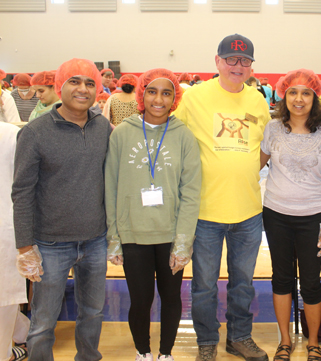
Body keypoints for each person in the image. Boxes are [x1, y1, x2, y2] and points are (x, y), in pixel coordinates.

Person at [173, 33, 271, 361]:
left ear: (252, 66)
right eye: (231, 59)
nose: (238, 66)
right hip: (204, 212)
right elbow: (176, 142)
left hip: (247, 211)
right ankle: (206, 341)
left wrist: (240, 169)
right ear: (217, 62)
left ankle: (239, 338)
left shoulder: (257, 99)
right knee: (203, 285)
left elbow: (266, 146)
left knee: (242, 283)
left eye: (244, 60)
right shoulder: (195, 97)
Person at [12, 58, 112, 361]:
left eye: (90, 83)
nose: (83, 89)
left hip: (95, 241)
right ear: (60, 86)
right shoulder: (35, 132)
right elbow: (22, 191)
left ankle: (88, 357)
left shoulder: (103, 127)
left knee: (93, 313)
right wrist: (25, 246)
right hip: (50, 243)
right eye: (75, 81)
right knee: (43, 321)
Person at [105, 68, 201, 361]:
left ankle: (166, 353)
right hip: (133, 232)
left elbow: (191, 192)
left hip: (170, 234)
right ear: (142, 94)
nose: (159, 99)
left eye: (166, 92)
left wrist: (183, 241)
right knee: (141, 299)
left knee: (172, 298)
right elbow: (111, 186)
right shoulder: (121, 133)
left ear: (175, 98)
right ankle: (143, 352)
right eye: (152, 91)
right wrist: (113, 236)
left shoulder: (184, 136)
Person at [260, 69, 321, 361]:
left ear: (315, 97)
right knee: (280, 279)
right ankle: (284, 341)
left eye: (306, 92)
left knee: (311, 282)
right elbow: (255, 165)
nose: (299, 98)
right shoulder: (273, 128)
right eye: (293, 92)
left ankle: (313, 342)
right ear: (284, 95)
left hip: (313, 217)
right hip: (276, 214)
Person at [0, 121, 30, 361]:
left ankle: (7, 351)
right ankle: (23, 335)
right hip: (8, 228)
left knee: (5, 299)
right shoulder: (11, 133)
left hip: (7, 229)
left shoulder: (12, 134)